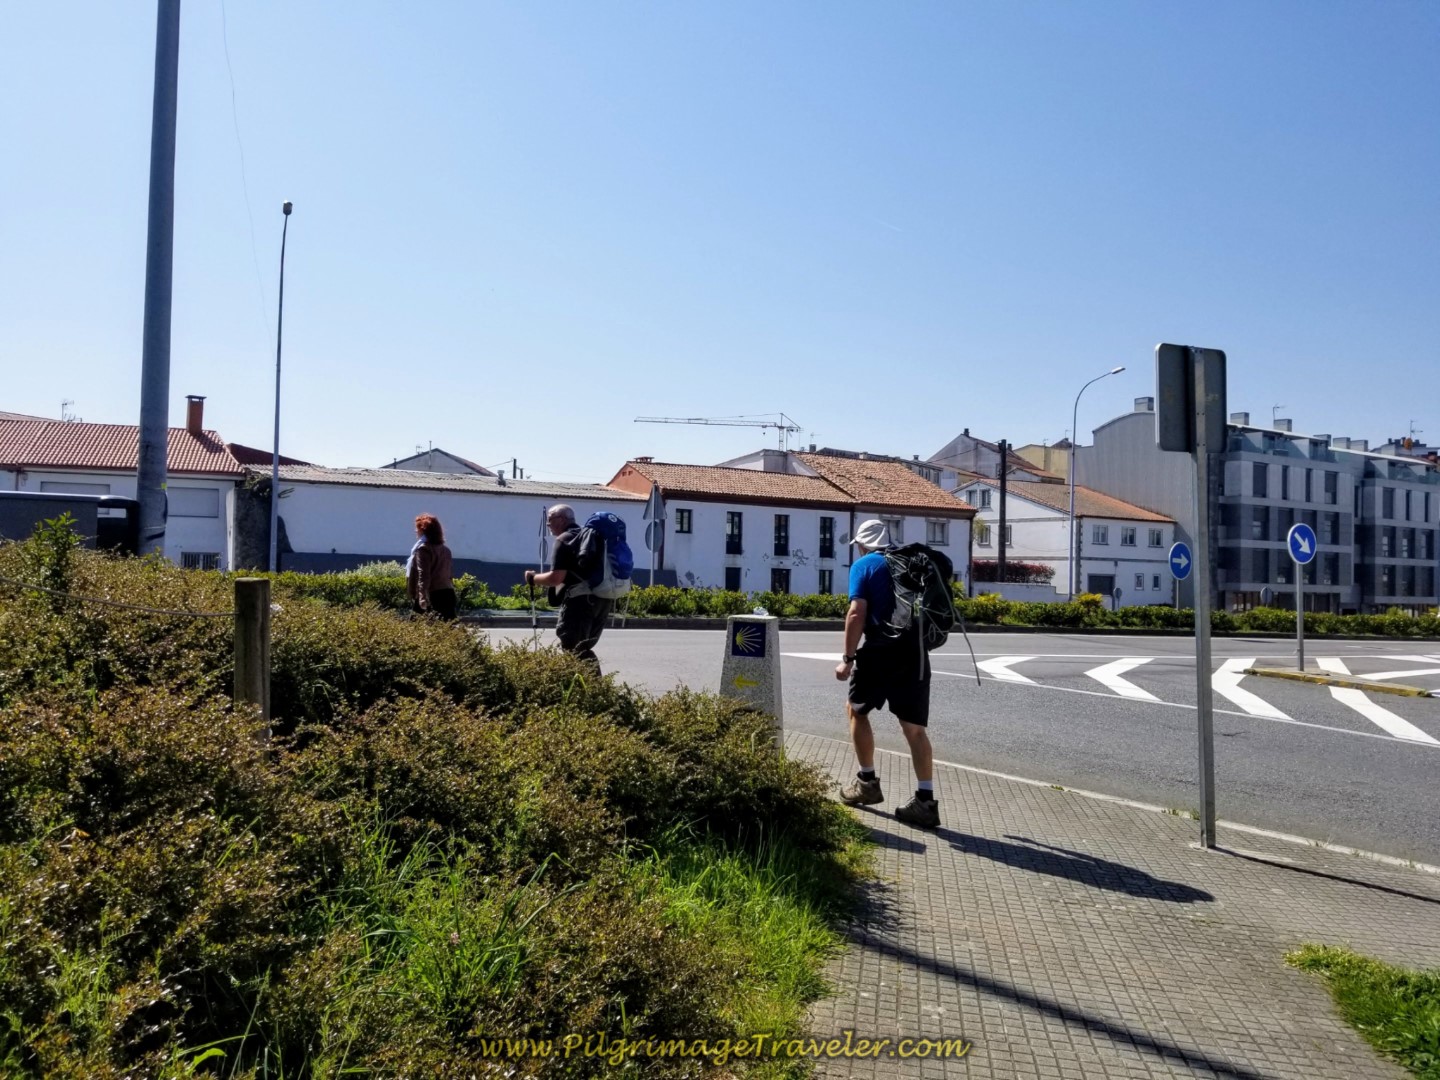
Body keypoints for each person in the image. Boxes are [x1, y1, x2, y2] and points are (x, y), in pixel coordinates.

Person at [835, 519, 940, 828]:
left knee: (856, 710)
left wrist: (847, 659)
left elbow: (857, 612)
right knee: (915, 730)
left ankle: (867, 783)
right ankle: (926, 802)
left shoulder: (865, 565)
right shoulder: (911, 563)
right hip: (916, 652)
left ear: (862, 544)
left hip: (881, 650)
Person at [525, 504, 611, 671]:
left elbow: (555, 578)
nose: (548, 524)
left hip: (580, 602)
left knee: (573, 649)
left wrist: (533, 579)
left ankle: (585, 687)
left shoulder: (564, 540)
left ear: (562, 520)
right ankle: (595, 686)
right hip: (603, 599)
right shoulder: (589, 536)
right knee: (583, 649)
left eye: (550, 520)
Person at [406, 513, 456, 619]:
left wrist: (422, 597)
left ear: (423, 531)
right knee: (448, 626)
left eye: (418, 529)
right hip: (448, 592)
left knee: (415, 626)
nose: (415, 531)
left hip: (431, 593)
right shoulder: (446, 550)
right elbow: (449, 574)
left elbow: (423, 574)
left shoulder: (423, 549)